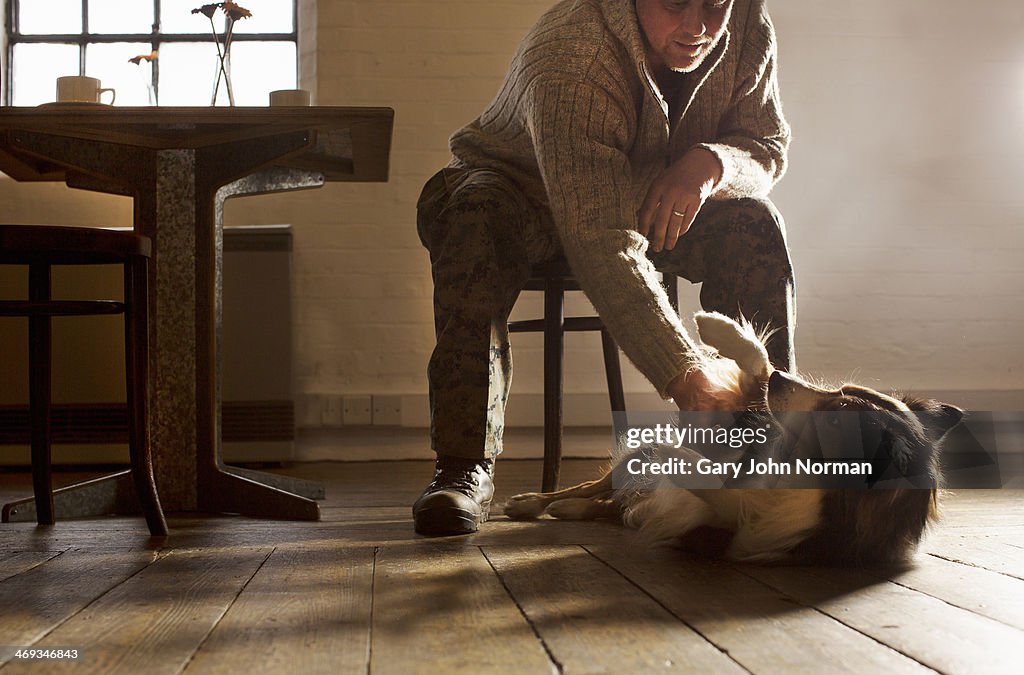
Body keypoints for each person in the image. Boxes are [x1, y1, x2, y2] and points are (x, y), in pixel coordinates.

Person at [414, 0, 795, 535]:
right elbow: (599, 237)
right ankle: (462, 466)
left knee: (754, 223)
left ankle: (766, 442)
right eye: (675, 3)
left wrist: (711, 164)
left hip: (645, 194)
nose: (697, 26)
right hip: (515, 194)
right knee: (472, 217)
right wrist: (685, 374)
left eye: (714, 6)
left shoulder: (748, 21)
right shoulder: (574, 51)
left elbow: (765, 146)